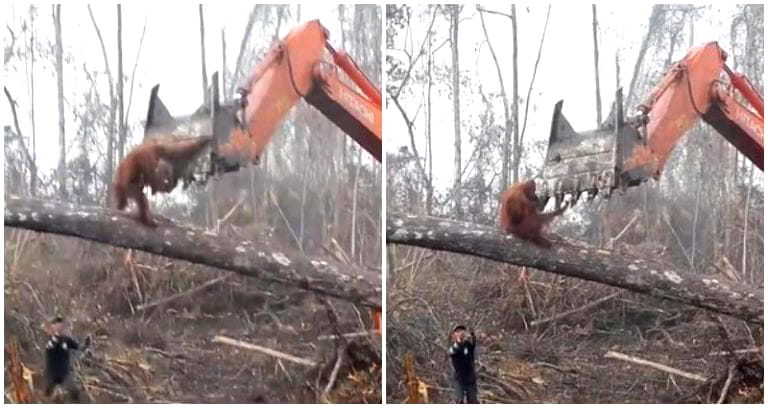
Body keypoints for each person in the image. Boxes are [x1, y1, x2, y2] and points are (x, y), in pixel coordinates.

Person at [44, 316, 89, 402]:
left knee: (74, 393)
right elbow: (49, 352)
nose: (59, 328)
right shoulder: (49, 341)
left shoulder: (66, 340)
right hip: (52, 375)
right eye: (56, 326)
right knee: (50, 396)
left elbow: (78, 347)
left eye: (61, 326)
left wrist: (86, 344)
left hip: (65, 373)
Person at [448, 325, 479, 403]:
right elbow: (452, 351)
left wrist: (472, 334)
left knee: (473, 400)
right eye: (458, 332)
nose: (460, 334)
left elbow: (473, 344)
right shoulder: (453, 347)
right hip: (459, 378)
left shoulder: (468, 345)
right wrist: (458, 341)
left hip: (470, 378)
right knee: (459, 400)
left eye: (462, 332)